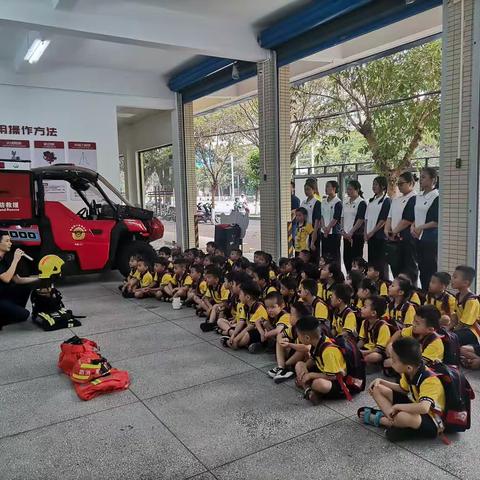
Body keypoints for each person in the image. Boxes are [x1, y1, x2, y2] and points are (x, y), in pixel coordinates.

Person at [359, 337, 445, 441]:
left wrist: (398, 406)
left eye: (394, 361)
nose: (391, 362)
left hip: (432, 420)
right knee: (376, 388)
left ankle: (383, 420)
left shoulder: (430, 380)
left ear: (408, 367)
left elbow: (424, 408)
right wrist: (381, 381)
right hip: (414, 404)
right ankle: (393, 421)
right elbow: (403, 389)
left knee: (401, 417)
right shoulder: (410, 370)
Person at [295, 315, 350, 403]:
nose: (298, 338)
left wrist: (310, 375)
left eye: (299, 335)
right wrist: (304, 368)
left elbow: (333, 376)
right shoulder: (317, 341)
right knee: (299, 365)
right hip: (323, 370)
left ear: (307, 338)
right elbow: (313, 359)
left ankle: (309, 387)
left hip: (338, 380)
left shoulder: (328, 351)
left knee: (319, 384)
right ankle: (309, 391)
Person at [384, 172, 417, 283]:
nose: (399, 186)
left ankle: (411, 294)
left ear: (411, 183)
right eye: (398, 184)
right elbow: (390, 216)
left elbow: (407, 220)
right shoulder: (396, 199)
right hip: (394, 239)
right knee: (395, 266)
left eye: (401, 184)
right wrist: (387, 230)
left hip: (406, 238)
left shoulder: (414, 198)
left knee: (408, 269)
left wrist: (394, 232)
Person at [0, 231, 38, 328]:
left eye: (10, 241)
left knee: (25, 287)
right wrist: (16, 259)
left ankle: (11, 311)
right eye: (7, 241)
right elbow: (6, 278)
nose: (10, 243)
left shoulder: (3, 259)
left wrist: (40, 278)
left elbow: (17, 280)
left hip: (4, 295)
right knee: (24, 315)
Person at [268, 301, 312, 383]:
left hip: (308, 360)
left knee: (302, 349)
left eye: (291, 314)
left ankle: (286, 367)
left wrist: (289, 344)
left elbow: (307, 348)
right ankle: (281, 367)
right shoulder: (294, 328)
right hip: (295, 355)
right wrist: (281, 341)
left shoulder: (307, 330)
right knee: (280, 340)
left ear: (299, 318)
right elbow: (280, 334)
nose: (289, 316)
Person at [411, 167, 439, 290]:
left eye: (423, 177)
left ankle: (431, 295)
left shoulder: (436, 196)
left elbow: (436, 221)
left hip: (430, 239)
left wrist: (421, 227)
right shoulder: (419, 196)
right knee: (421, 268)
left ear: (433, 180)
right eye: (420, 177)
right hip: (418, 237)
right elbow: (416, 215)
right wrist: (413, 226)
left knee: (430, 270)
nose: (420, 180)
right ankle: (423, 294)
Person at [450, 266, 480, 366]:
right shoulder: (458, 296)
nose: (452, 279)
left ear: (466, 283)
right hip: (464, 330)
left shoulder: (472, 300)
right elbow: (455, 318)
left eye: (455, 277)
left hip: (474, 332)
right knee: (446, 335)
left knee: (451, 338)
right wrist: (448, 329)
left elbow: (465, 324)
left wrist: (451, 333)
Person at [365, 176, 391, 280]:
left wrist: (372, 232)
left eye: (376, 184)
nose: (373, 186)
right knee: (372, 262)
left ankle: (383, 283)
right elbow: (366, 217)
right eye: (373, 184)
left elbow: (383, 220)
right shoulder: (372, 200)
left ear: (383, 186)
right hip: (370, 236)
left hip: (380, 237)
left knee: (381, 263)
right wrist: (365, 232)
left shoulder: (386, 200)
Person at [341, 180, 367, 272]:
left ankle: (357, 278)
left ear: (357, 190)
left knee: (355, 259)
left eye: (351, 189)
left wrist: (351, 232)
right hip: (346, 235)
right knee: (346, 258)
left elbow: (360, 220)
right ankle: (349, 275)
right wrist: (343, 231)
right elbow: (343, 216)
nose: (348, 191)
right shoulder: (346, 201)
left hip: (356, 235)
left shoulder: (361, 203)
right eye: (347, 189)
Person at [358, 296, 391, 366]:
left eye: (364, 307)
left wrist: (364, 352)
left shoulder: (383, 327)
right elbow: (362, 340)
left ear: (373, 313)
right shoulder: (364, 322)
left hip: (378, 352)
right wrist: (355, 348)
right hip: (366, 348)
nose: (361, 308)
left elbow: (379, 349)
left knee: (373, 357)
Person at [317, 180, 342, 263]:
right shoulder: (323, 201)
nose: (326, 188)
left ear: (334, 188)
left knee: (334, 255)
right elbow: (322, 215)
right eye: (326, 186)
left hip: (334, 232)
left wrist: (328, 228)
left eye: (328, 186)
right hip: (324, 231)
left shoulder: (337, 202)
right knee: (325, 254)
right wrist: (323, 227)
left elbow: (336, 218)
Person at [300, 178, 322, 257]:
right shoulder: (303, 202)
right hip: (303, 231)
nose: (306, 191)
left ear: (314, 190)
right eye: (305, 189)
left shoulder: (317, 202)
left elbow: (317, 221)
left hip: (313, 231)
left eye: (308, 189)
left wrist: (313, 238)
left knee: (313, 255)